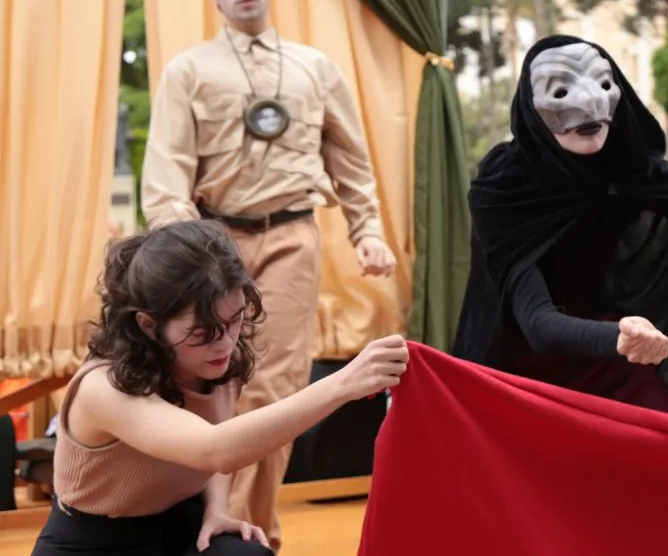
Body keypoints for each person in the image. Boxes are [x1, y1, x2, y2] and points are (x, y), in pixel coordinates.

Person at [141, 0, 397, 550]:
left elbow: (352, 162)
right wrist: (183, 251)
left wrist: (367, 231)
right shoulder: (188, 71)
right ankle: (195, 521)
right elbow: (166, 170)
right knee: (208, 383)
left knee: (273, 386)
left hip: (291, 239)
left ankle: (252, 535)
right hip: (212, 244)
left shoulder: (316, 68)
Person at [452, 35, 668, 417]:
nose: (589, 102)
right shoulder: (504, 187)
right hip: (515, 371)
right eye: (562, 89)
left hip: (608, 354)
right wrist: (618, 335)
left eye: (602, 84)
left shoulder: (633, 170)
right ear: (531, 107)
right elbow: (536, 322)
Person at [32, 221, 407, 556]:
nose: (226, 344)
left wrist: (217, 510)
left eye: (235, 320)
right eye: (203, 333)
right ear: (148, 325)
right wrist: (343, 383)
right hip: (94, 543)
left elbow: (218, 436)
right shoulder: (104, 388)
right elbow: (216, 449)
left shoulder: (216, 364)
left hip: (180, 527)